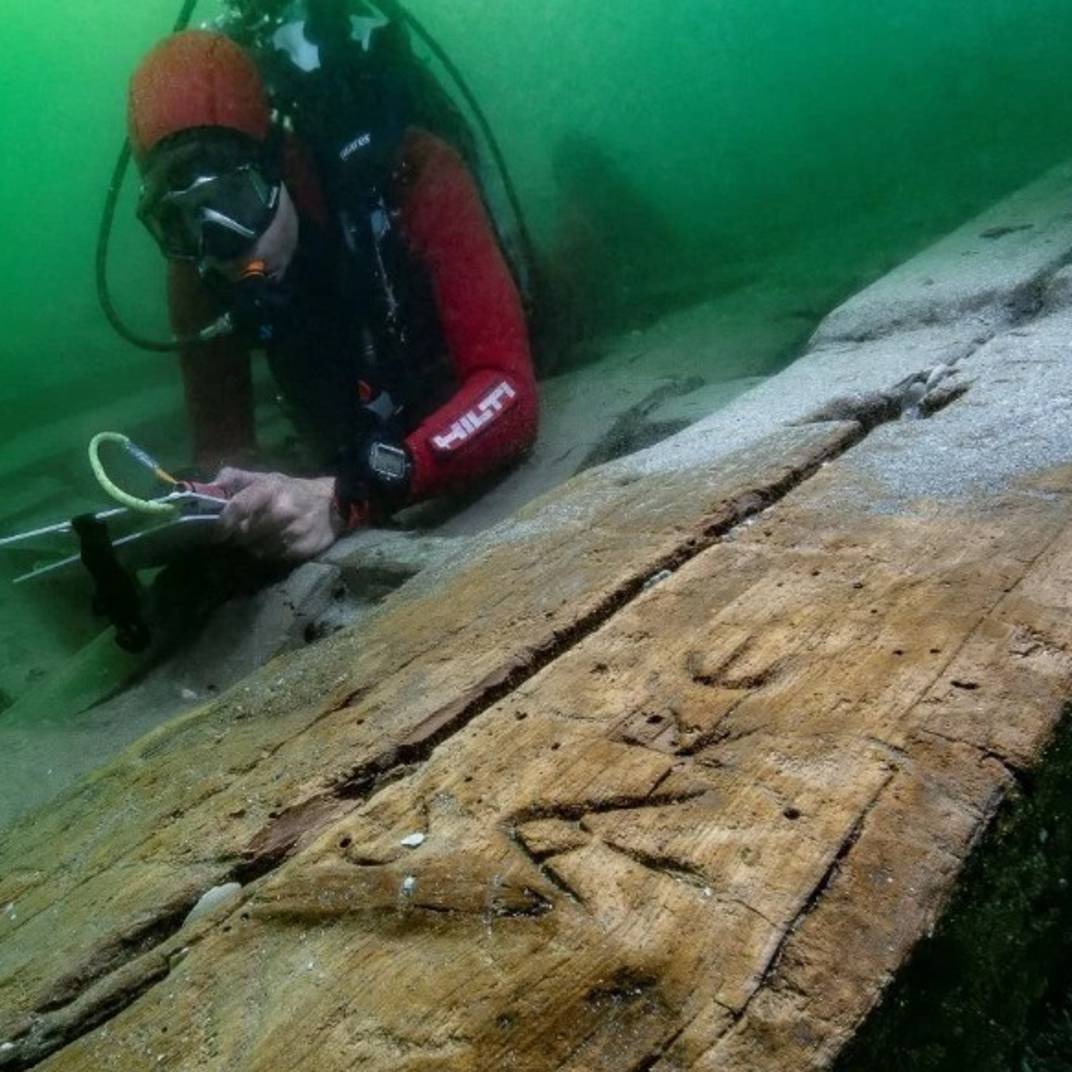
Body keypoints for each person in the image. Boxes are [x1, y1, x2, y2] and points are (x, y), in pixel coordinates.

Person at [127, 22, 538, 562]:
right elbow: (223, 444)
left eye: (234, 199)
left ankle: (594, 203)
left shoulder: (411, 171)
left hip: (454, 366)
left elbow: (508, 393)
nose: (220, 247)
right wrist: (209, 499)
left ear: (279, 160)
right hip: (362, 411)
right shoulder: (198, 267)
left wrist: (351, 495)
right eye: (176, 221)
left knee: (561, 306)